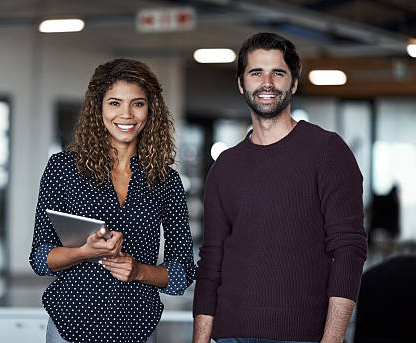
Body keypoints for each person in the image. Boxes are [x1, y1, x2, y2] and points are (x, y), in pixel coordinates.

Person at [192, 32, 368, 343]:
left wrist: (332, 339)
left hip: (302, 336)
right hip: (231, 335)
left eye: (278, 72)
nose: (267, 82)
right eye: (256, 72)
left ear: (294, 83)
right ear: (241, 83)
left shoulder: (328, 151)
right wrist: (201, 339)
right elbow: (211, 262)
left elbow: (349, 250)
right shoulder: (225, 167)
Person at [29, 58, 196, 343]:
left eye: (138, 104)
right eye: (115, 103)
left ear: (151, 109)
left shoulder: (166, 180)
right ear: (99, 108)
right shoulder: (63, 168)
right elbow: (40, 258)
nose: (127, 115)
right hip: (71, 324)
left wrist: (140, 271)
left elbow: (182, 272)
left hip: (138, 327)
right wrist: (84, 252)